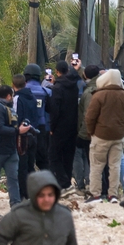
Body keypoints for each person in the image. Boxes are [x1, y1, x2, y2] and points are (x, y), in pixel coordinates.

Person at [84, 69, 124, 203]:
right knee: (115, 166)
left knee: (97, 165)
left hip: (100, 136)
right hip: (118, 136)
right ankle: (113, 195)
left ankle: (96, 194)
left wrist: (91, 132)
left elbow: (90, 117)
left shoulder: (98, 95)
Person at [0, 86, 32, 218]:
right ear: (9, 96)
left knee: (13, 179)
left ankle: (15, 207)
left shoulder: (8, 108)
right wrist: (18, 131)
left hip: (10, 150)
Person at [46, 61, 81, 190]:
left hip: (60, 126)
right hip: (73, 125)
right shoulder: (74, 85)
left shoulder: (57, 88)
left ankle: (64, 182)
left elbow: (55, 109)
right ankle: (66, 182)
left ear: (57, 71)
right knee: (68, 155)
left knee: (53, 155)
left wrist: (52, 127)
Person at [74, 65, 102, 195]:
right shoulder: (105, 86)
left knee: (85, 157)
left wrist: (82, 134)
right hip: (104, 131)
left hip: (89, 133)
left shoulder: (89, 92)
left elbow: (87, 116)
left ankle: (84, 185)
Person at [12, 74, 39, 200]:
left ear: (13, 85)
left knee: (21, 167)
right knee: (30, 165)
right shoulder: (32, 97)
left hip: (22, 137)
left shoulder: (17, 98)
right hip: (33, 134)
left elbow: (15, 116)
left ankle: (24, 194)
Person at [23, 64, 52, 171]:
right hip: (42, 127)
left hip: (26, 128)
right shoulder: (46, 92)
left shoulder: (22, 91)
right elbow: (50, 110)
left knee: (27, 159)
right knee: (43, 159)